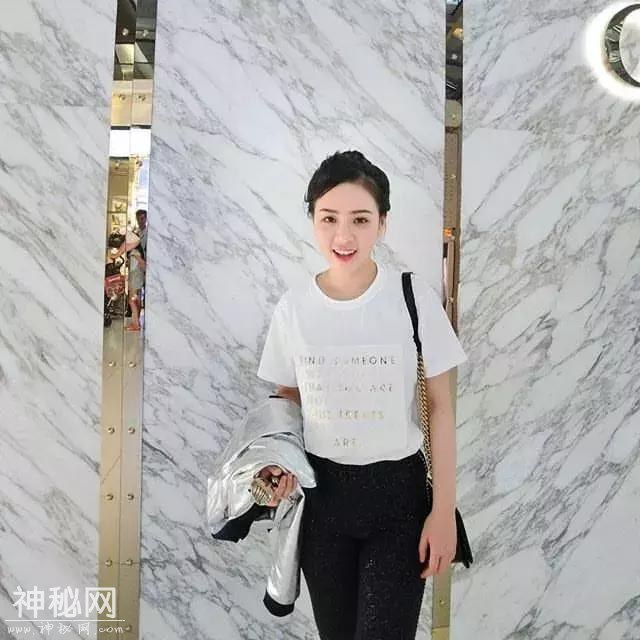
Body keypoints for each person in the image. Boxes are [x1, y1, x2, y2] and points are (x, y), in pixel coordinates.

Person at [256, 150, 468, 639]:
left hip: (399, 500)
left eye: (360, 219)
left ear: (382, 224)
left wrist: (443, 512)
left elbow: (440, 407)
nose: (344, 235)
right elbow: (287, 399)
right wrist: (276, 461)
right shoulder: (293, 308)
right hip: (322, 501)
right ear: (312, 219)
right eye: (329, 218)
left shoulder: (412, 298)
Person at [126, 209, 148, 331]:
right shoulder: (137, 232)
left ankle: (136, 323)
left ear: (146, 218)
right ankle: (136, 322)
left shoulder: (148, 233)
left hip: (140, 267)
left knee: (133, 297)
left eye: (143, 218)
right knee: (136, 296)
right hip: (136, 267)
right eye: (139, 218)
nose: (141, 221)